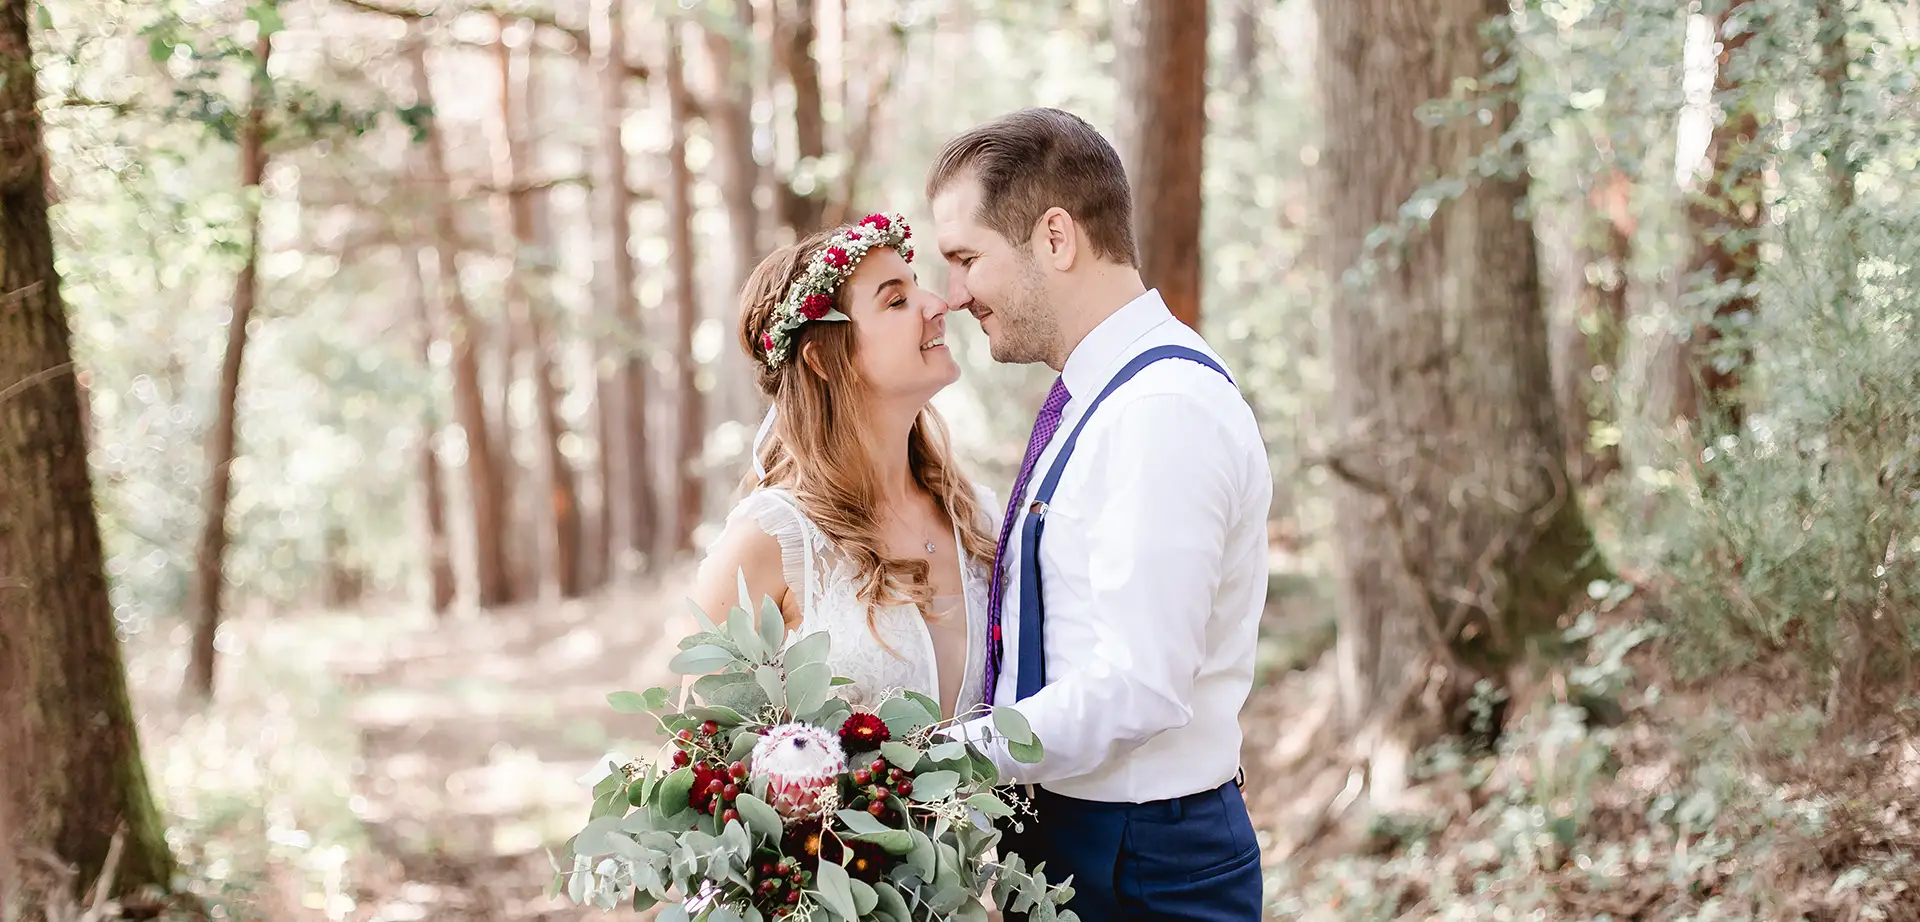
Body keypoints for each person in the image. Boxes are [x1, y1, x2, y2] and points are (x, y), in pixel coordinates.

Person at [928, 108, 1274, 920]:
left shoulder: (1163, 410)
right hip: (1085, 839)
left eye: (967, 258)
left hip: (1143, 859)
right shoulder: (1097, 400)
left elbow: (1140, 684)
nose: (954, 295)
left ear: (1056, 237)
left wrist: (946, 758)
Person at [687, 212, 1000, 723]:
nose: (939, 305)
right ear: (824, 360)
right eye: (896, 300)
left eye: (917, 287)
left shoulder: (978, 519)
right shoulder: (773, 538)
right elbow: (701, 762)